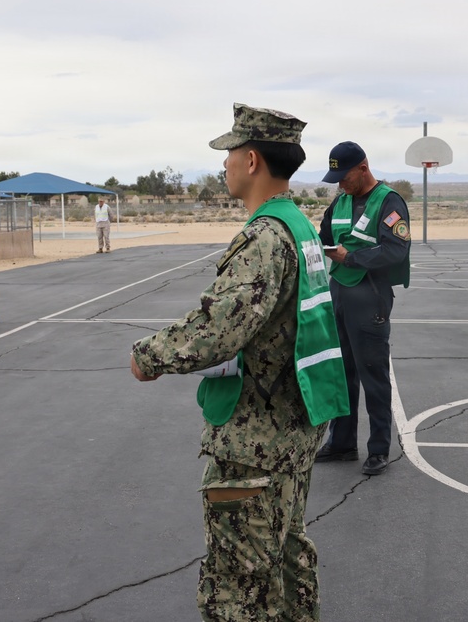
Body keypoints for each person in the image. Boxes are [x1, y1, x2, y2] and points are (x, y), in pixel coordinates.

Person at [130, 103, 349, 621]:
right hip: (296, 421)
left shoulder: (264, 237)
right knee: (286, 553)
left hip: (258, 434)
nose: (224, 164)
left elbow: (218, 330)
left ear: (251, 160)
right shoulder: (298, 227)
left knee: (240, 578)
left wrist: (150, 355)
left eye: (229, 153)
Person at [314, 141, 411, 477]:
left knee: (374, 376)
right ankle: (341, 443)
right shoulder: (340, 201)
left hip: (370, 297)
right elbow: (323, 235)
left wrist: (351, 257)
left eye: (344, 176)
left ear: (363, 168)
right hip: (339, 293)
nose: (340, 183)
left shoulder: (389, 201)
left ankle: (379, 448)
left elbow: (396, 249)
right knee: (341, 374)